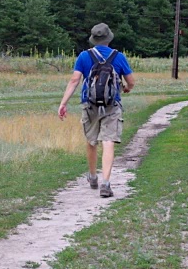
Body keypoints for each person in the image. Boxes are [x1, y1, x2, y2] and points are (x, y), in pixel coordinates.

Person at [58, 23, 136, 198]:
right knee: (108, 142)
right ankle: (106, 183)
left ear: (94, 39)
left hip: (90, 104)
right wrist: (126, 88)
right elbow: (131, 82)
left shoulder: (84, 56)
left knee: (91, 140)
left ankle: (93, 177)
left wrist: (63, 103)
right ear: (109, 38)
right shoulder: (119, 57)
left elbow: (74, 80)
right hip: (112, 105)